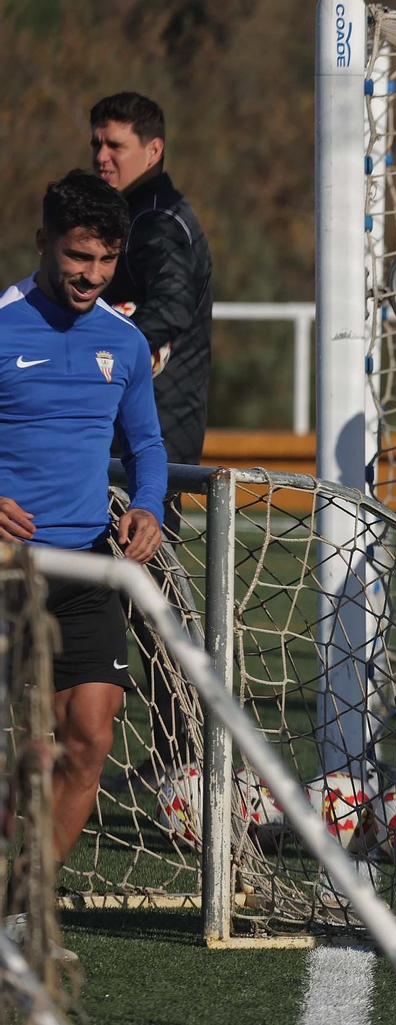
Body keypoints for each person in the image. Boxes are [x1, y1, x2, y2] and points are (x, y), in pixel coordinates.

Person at [0, 171, 167, 938]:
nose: (92, 275)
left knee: (91, 737)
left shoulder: (124, 341)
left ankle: (18, 908)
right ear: (43, 243)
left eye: (105, 260)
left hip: (88, 567)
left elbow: (147, 445)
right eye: (77, 257)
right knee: (28, 753)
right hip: (8, 574)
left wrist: (147, 504)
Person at [91, 92, 213, 776]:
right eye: (96, 144)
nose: (102, 156)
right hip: (129, 433)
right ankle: (174, 751)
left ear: (153, 150)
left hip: (152, 438)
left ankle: (186, 756)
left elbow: (168, 307)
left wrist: (97, 360)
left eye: (116, 144)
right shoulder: (133, 215)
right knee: (127, 590)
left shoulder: (160, 222)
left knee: (148, 595)